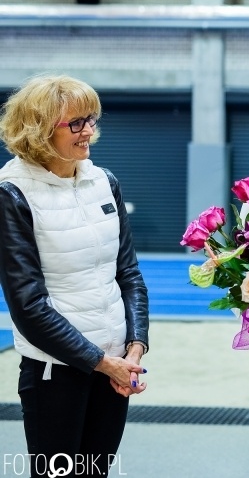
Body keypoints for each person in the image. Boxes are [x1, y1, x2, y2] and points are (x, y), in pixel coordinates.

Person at [0, 75, 149, 477]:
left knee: (96, 472)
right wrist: (100, 362)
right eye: (76, 124)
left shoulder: (104, 181)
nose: (89, 132)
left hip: (116, 362)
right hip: (56, 369)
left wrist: (134, 348)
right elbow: (27, 305)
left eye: (91, 120)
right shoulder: (12, 193)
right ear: (39, 129)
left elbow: (129, 274)